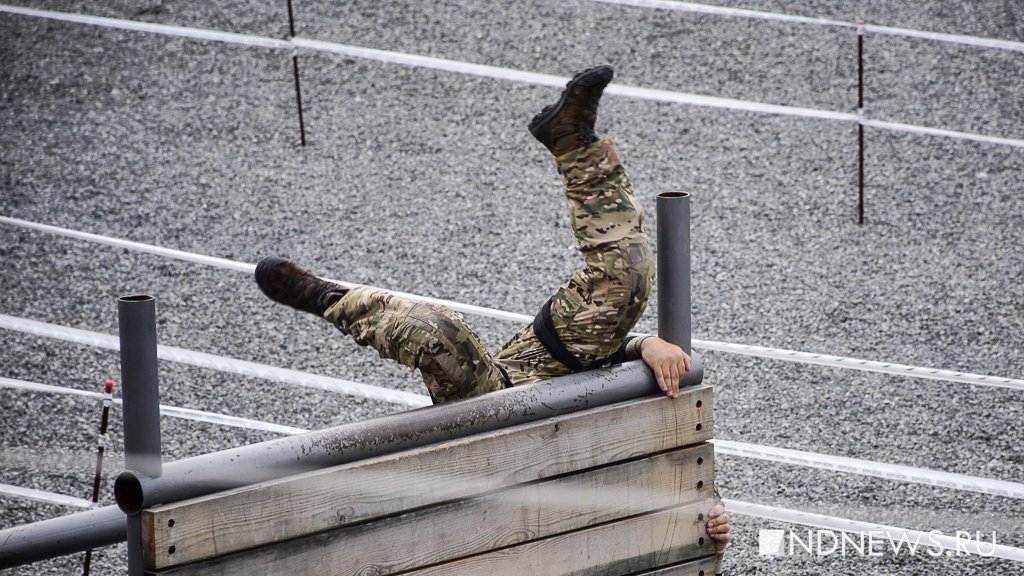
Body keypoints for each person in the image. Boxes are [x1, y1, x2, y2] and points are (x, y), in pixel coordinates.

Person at [255, 65, 730, 555]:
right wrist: (643, 344)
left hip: (508, 446)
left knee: (436, 335)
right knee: (626, 279)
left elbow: (687, 489)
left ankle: (330, 299)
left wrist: (708, 526)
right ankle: (572, 143)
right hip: (535, 376)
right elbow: (696, 480)